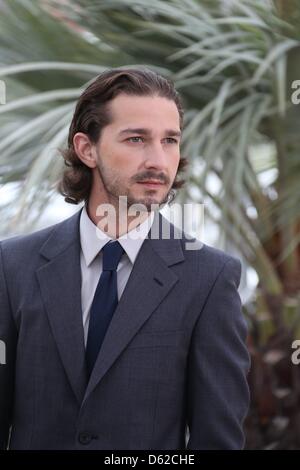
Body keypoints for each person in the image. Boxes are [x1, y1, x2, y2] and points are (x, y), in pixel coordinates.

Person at [0, 67, 250, 450]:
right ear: (87, 149)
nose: (157, 160)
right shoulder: (12, 266)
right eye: (136, 139)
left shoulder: (211, 278)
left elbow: (216, 438)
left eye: (170, 140)